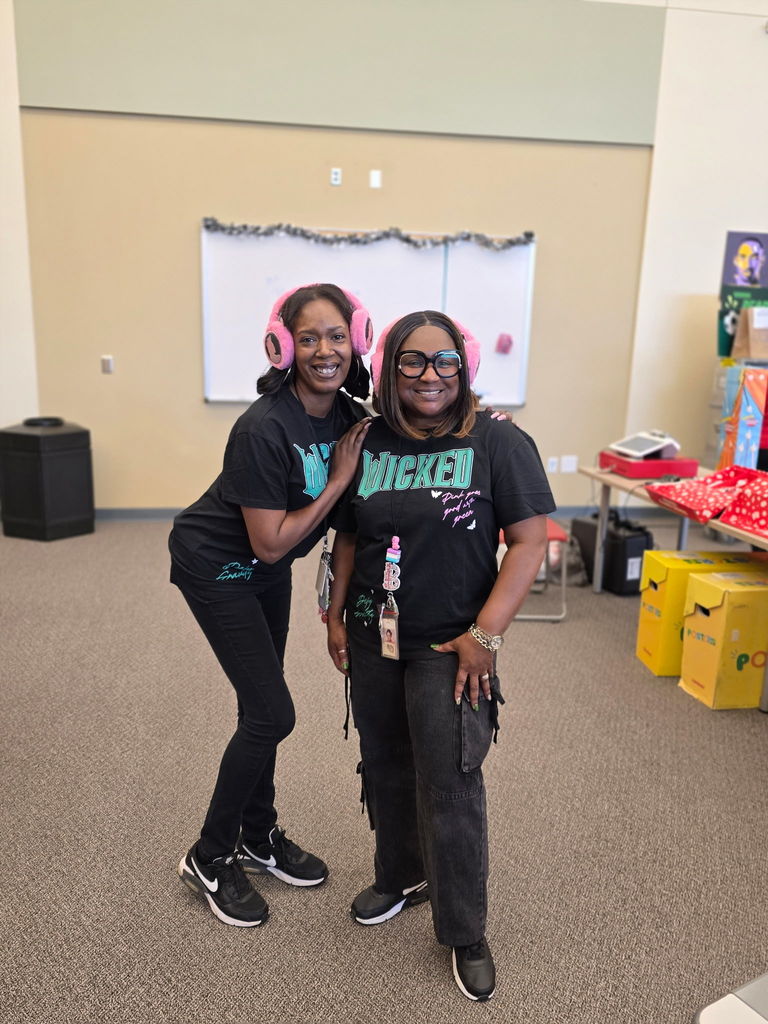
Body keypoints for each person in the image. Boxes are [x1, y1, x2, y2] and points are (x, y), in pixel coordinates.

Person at [326, 311, 555, 1001]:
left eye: (445, 361)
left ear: (466, 366)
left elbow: (530, 541)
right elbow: (345, 537)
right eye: (413, 362)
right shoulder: (364, 442)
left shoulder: (498, 443)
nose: (430, 376)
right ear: (390, 368)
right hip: (373, 634)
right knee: (385, 760)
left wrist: (485, 637)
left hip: (451, 645)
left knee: (451, 781)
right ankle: (399, 875)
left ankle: (464, 929)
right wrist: (336, 616)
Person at [169, 283, 373, 927]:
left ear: (356, 339)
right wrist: (338, 479)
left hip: (269, 572)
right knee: (271, 712)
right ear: (284, 345)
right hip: (220, 566)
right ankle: (209, 854)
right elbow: (270, 538)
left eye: (336, 336)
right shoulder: (261, 427)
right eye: (308, 337)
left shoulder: (350, 417)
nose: (324, 350)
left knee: (257, 707)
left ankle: (258, 836)